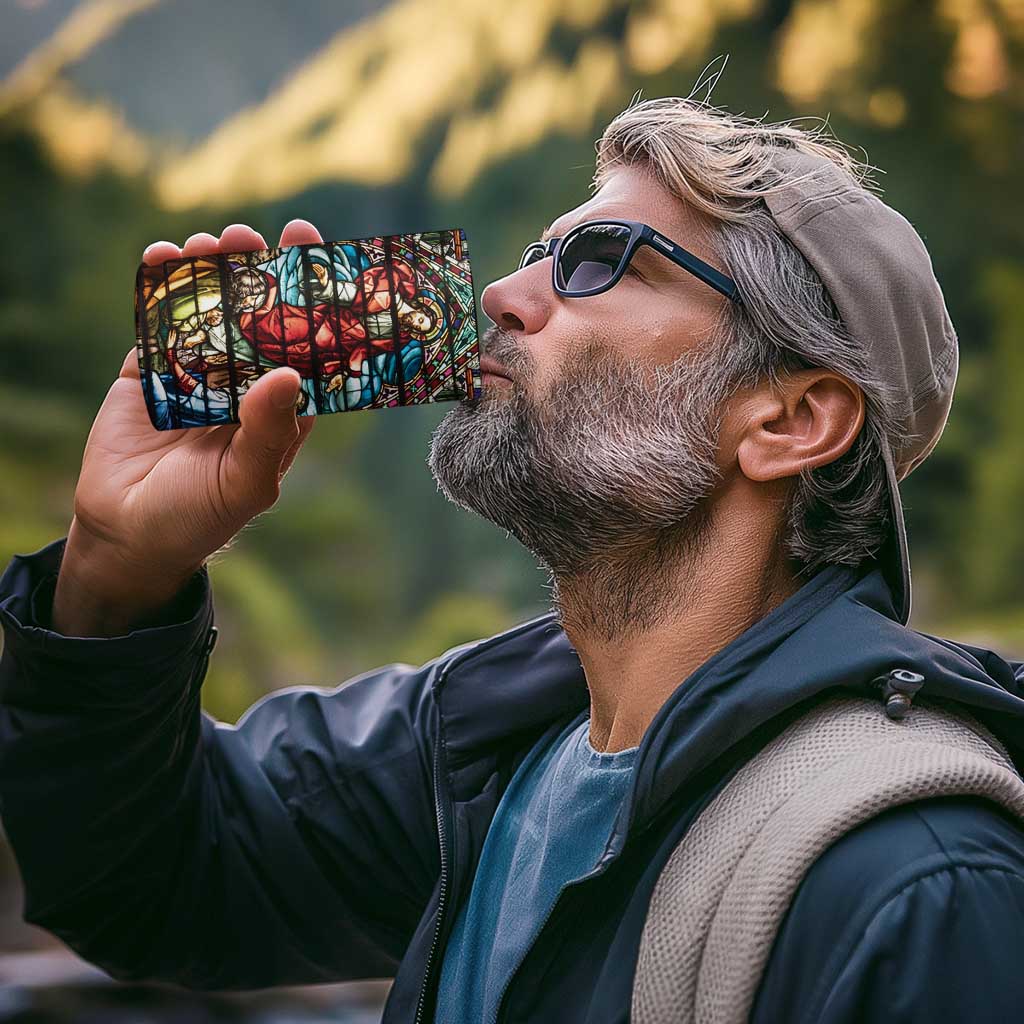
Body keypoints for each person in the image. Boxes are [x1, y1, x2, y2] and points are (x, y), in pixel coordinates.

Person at [2, 95, 1024, 1024]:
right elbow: (149, 880)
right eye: (540, 252)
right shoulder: (479, 748)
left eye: (599, 261)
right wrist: (115, 572)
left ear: (791, 419)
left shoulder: (918, 884)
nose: (501, 292)